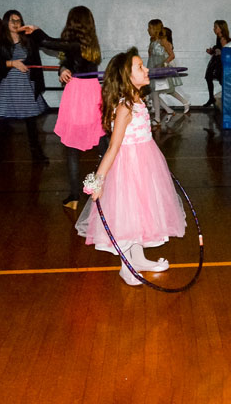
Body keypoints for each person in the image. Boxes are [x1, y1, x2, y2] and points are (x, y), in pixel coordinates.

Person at [76, 48, 187, 286]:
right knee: (129, 215)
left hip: (146, 164)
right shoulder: (125, 107)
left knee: (142, 213)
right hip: (128, 168)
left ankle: (139, 259)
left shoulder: (138, 99)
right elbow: (113, 147)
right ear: (127, 76)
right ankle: (126, 266)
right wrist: (98, 181)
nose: (146, 69)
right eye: (140, 67)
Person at [0, 9, 55, 165]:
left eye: (18, 20)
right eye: (12, 20)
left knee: (31, 123)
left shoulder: (28, 39)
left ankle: (38, 155)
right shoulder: (1, 40)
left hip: (25, 86)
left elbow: (45, 44)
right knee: (2, 124)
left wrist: (36, 31)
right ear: (6, 23)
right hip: (8, 86)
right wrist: (11, 63)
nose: (16, 23)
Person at [53, 6, 105, 209]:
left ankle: (75, 196)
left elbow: (66, 57)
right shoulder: (92, 45)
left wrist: (36, 32)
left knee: (73, 148)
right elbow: (68, 62)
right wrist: (63, 68)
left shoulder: (72, 43)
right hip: (92, 92)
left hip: (77, 93)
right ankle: (106, 188)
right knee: (103, 144)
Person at [147, 20, 190, 123]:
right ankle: (168, 111)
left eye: (150, 28)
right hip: (153, 68)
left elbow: (171, 55)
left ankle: (157, 118)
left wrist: (163, 64)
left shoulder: (163, 41)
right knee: (153, 92)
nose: (148, 30)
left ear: (155, 29)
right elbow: (151, 56)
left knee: (161, 91)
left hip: (161, 69)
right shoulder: (152, 40)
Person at [203, 20, 230, 108]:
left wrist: (216, 51)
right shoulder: (219, 38)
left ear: (221, 28)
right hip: (216, 61)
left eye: (216, 27)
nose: (214, 29)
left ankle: (226, 99)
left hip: (220, 62)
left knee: (221, 80)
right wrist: (212, 51)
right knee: (209, 77)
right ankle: (211, 98)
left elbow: (225, 52)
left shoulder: (223, 39)